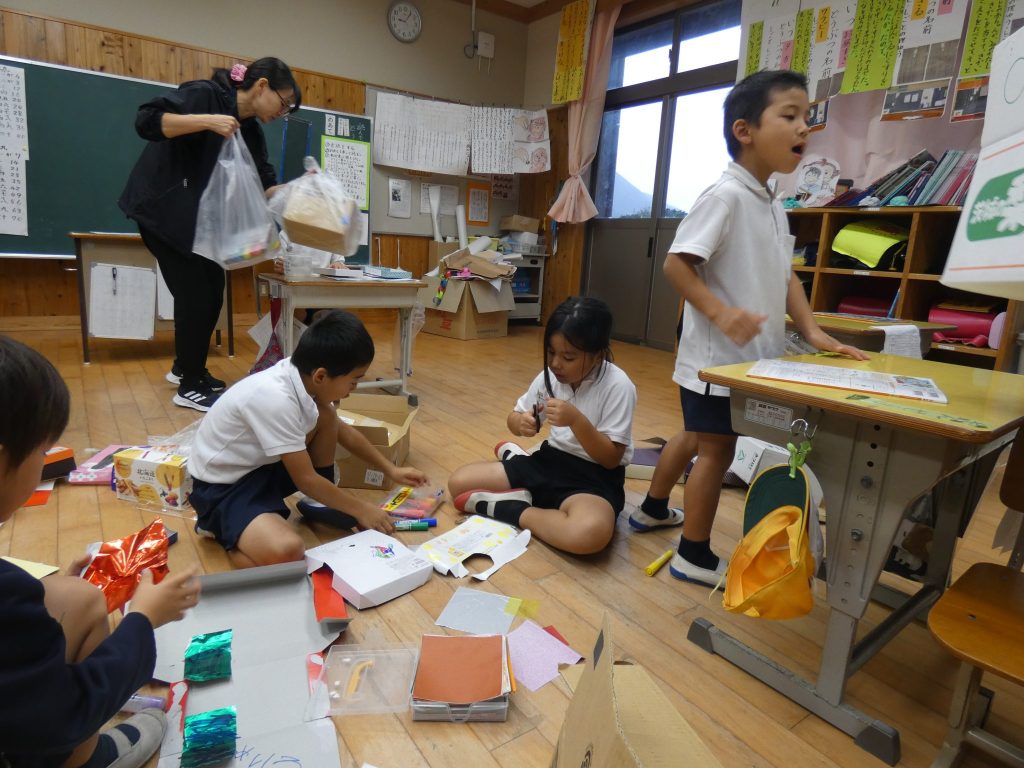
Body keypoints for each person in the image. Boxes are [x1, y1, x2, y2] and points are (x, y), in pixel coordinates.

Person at [638, 70, 867, 587]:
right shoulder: (725, 196)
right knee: (714, 451)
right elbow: (677, 263)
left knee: (696, 438)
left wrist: (813, 332)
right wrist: (721, 313)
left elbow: (786, 277)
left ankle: (652, 509)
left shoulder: (772, 202)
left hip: (747, 362)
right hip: (716, 362)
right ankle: (692, 555)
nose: (804, 127)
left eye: (807, 117)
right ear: (744, 130)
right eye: (789, 115)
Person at [0, 336, 200, 768]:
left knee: (76, 596)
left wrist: (33, 596)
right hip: (45, 726)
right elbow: (61, 715)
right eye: (42, 450)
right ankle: (90, 759)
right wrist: (142, 619)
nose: (46, 461)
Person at [119, 58, 301, 412]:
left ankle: (186, 368)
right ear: (262, 86)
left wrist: (301, 189)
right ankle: (189, 385)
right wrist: (207, 121)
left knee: (212, 291)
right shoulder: (205, 95)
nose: (283, 113)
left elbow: (265, 186)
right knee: (196, 295)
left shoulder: (251, 132)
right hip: (163, 212)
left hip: (199, 226)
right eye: (284, 103)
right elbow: (147, 120)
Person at [188, 310, 428, 569]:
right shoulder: (275, 398)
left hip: (259, 468)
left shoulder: (303, 376)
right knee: (288, 551)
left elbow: (343, 431)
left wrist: (391, 469)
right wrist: (361, 509)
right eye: (353, 381)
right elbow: (305, 479)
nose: (354, 389)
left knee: (326, 415)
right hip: (223, 487)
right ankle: (219, 528)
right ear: (321, 376)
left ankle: (318, 500)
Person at [448, 297, 636, 555]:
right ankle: (522, 479)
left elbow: (611, 458)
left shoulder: (618, 386)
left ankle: (512, 509)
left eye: (568, 357)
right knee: (458, 483)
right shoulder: (551, 377)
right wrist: (520, 423)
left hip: (594, 478)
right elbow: (514, 417)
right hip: (550, 461)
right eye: (550, 352)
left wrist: (576, 420)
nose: (556, 363)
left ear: (597, 356)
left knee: (587, 534)